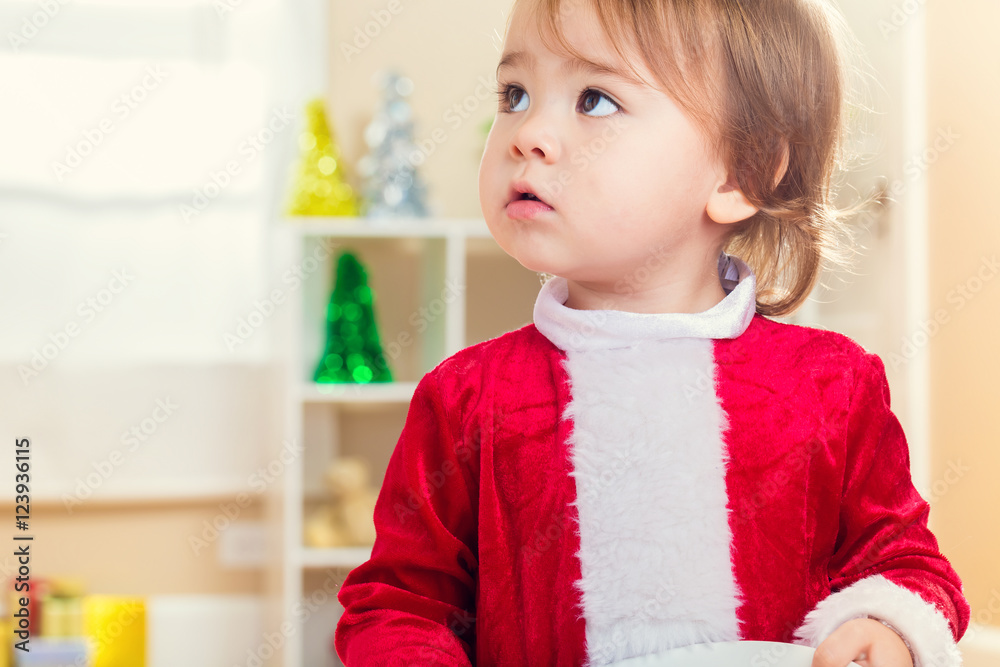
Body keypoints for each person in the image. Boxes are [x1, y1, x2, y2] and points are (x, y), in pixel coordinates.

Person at [335, 0, 970, 665]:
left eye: (596, 100)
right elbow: (400, 603)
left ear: (741, 173)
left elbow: (907, 566)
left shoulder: (832, 387)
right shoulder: (466, 398)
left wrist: (887, 626)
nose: (527, 134)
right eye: (515, 94)